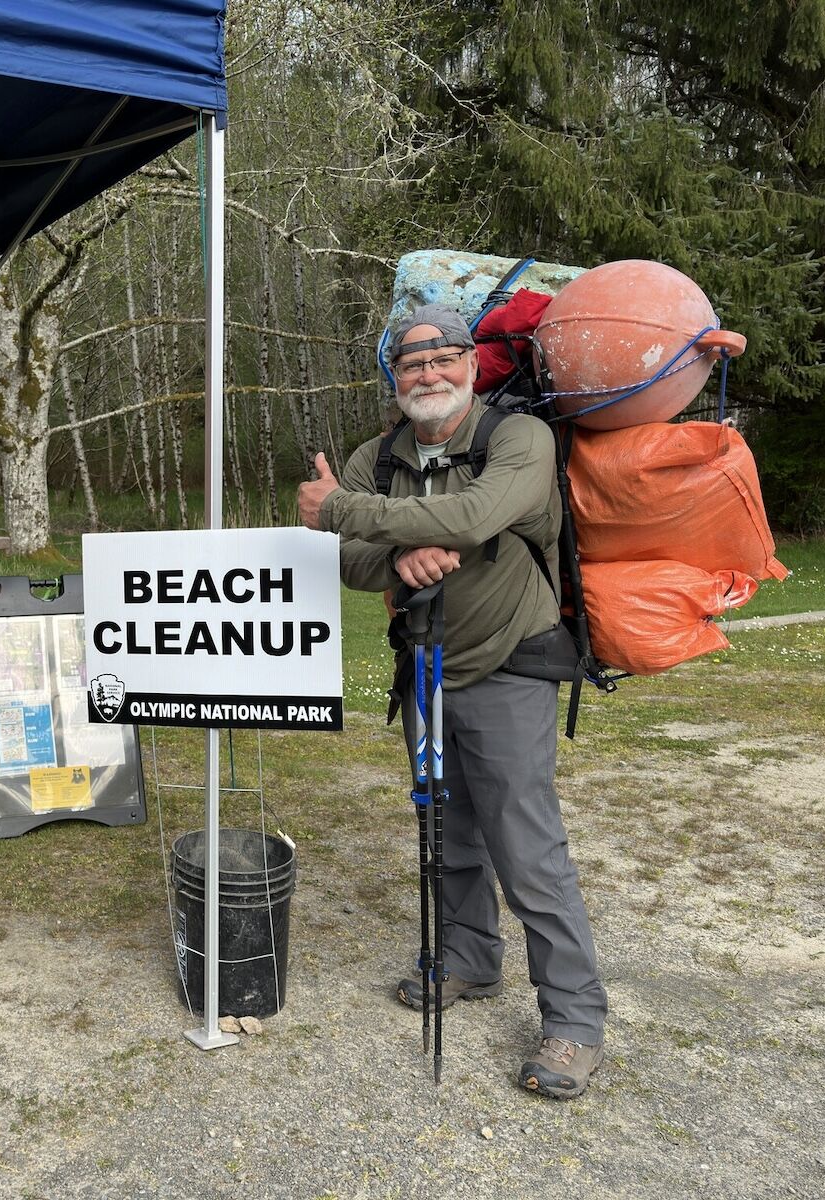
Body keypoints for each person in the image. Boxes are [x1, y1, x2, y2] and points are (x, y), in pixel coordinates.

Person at [298, 304, 608, 1100]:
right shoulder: (380, 455)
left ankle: (573, 1021)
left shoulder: (518, 439)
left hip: (509, 667)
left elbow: (472, 514)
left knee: (526, 846)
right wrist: (401, 554)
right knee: (444, 829)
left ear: (471, 366)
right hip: (426, 669)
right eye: (411, 365)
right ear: (393, 378)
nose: (428, 376)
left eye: (443, 361)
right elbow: (345, 562)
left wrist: (345, 510)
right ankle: (469, 959)